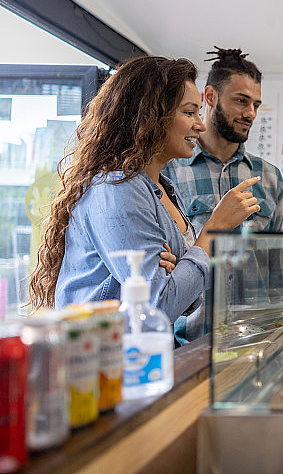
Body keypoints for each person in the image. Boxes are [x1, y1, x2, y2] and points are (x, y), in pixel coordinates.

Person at [29, 56, 262, 345]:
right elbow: (157, 306)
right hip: (104, 365)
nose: (200, 125)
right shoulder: (117, 189)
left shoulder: (161, 187)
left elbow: (184, 300)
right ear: (150, 116)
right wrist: (214, 230)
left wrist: (179, 273)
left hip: (144, 359)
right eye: (189, 112)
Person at [163, 47, 283, 301]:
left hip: (255, 334)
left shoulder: (269, 177)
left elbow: (281, 272)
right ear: (210, 96)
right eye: (241, 101)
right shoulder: (169, 170)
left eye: (255, 105)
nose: (251, 114)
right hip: (189, 335)